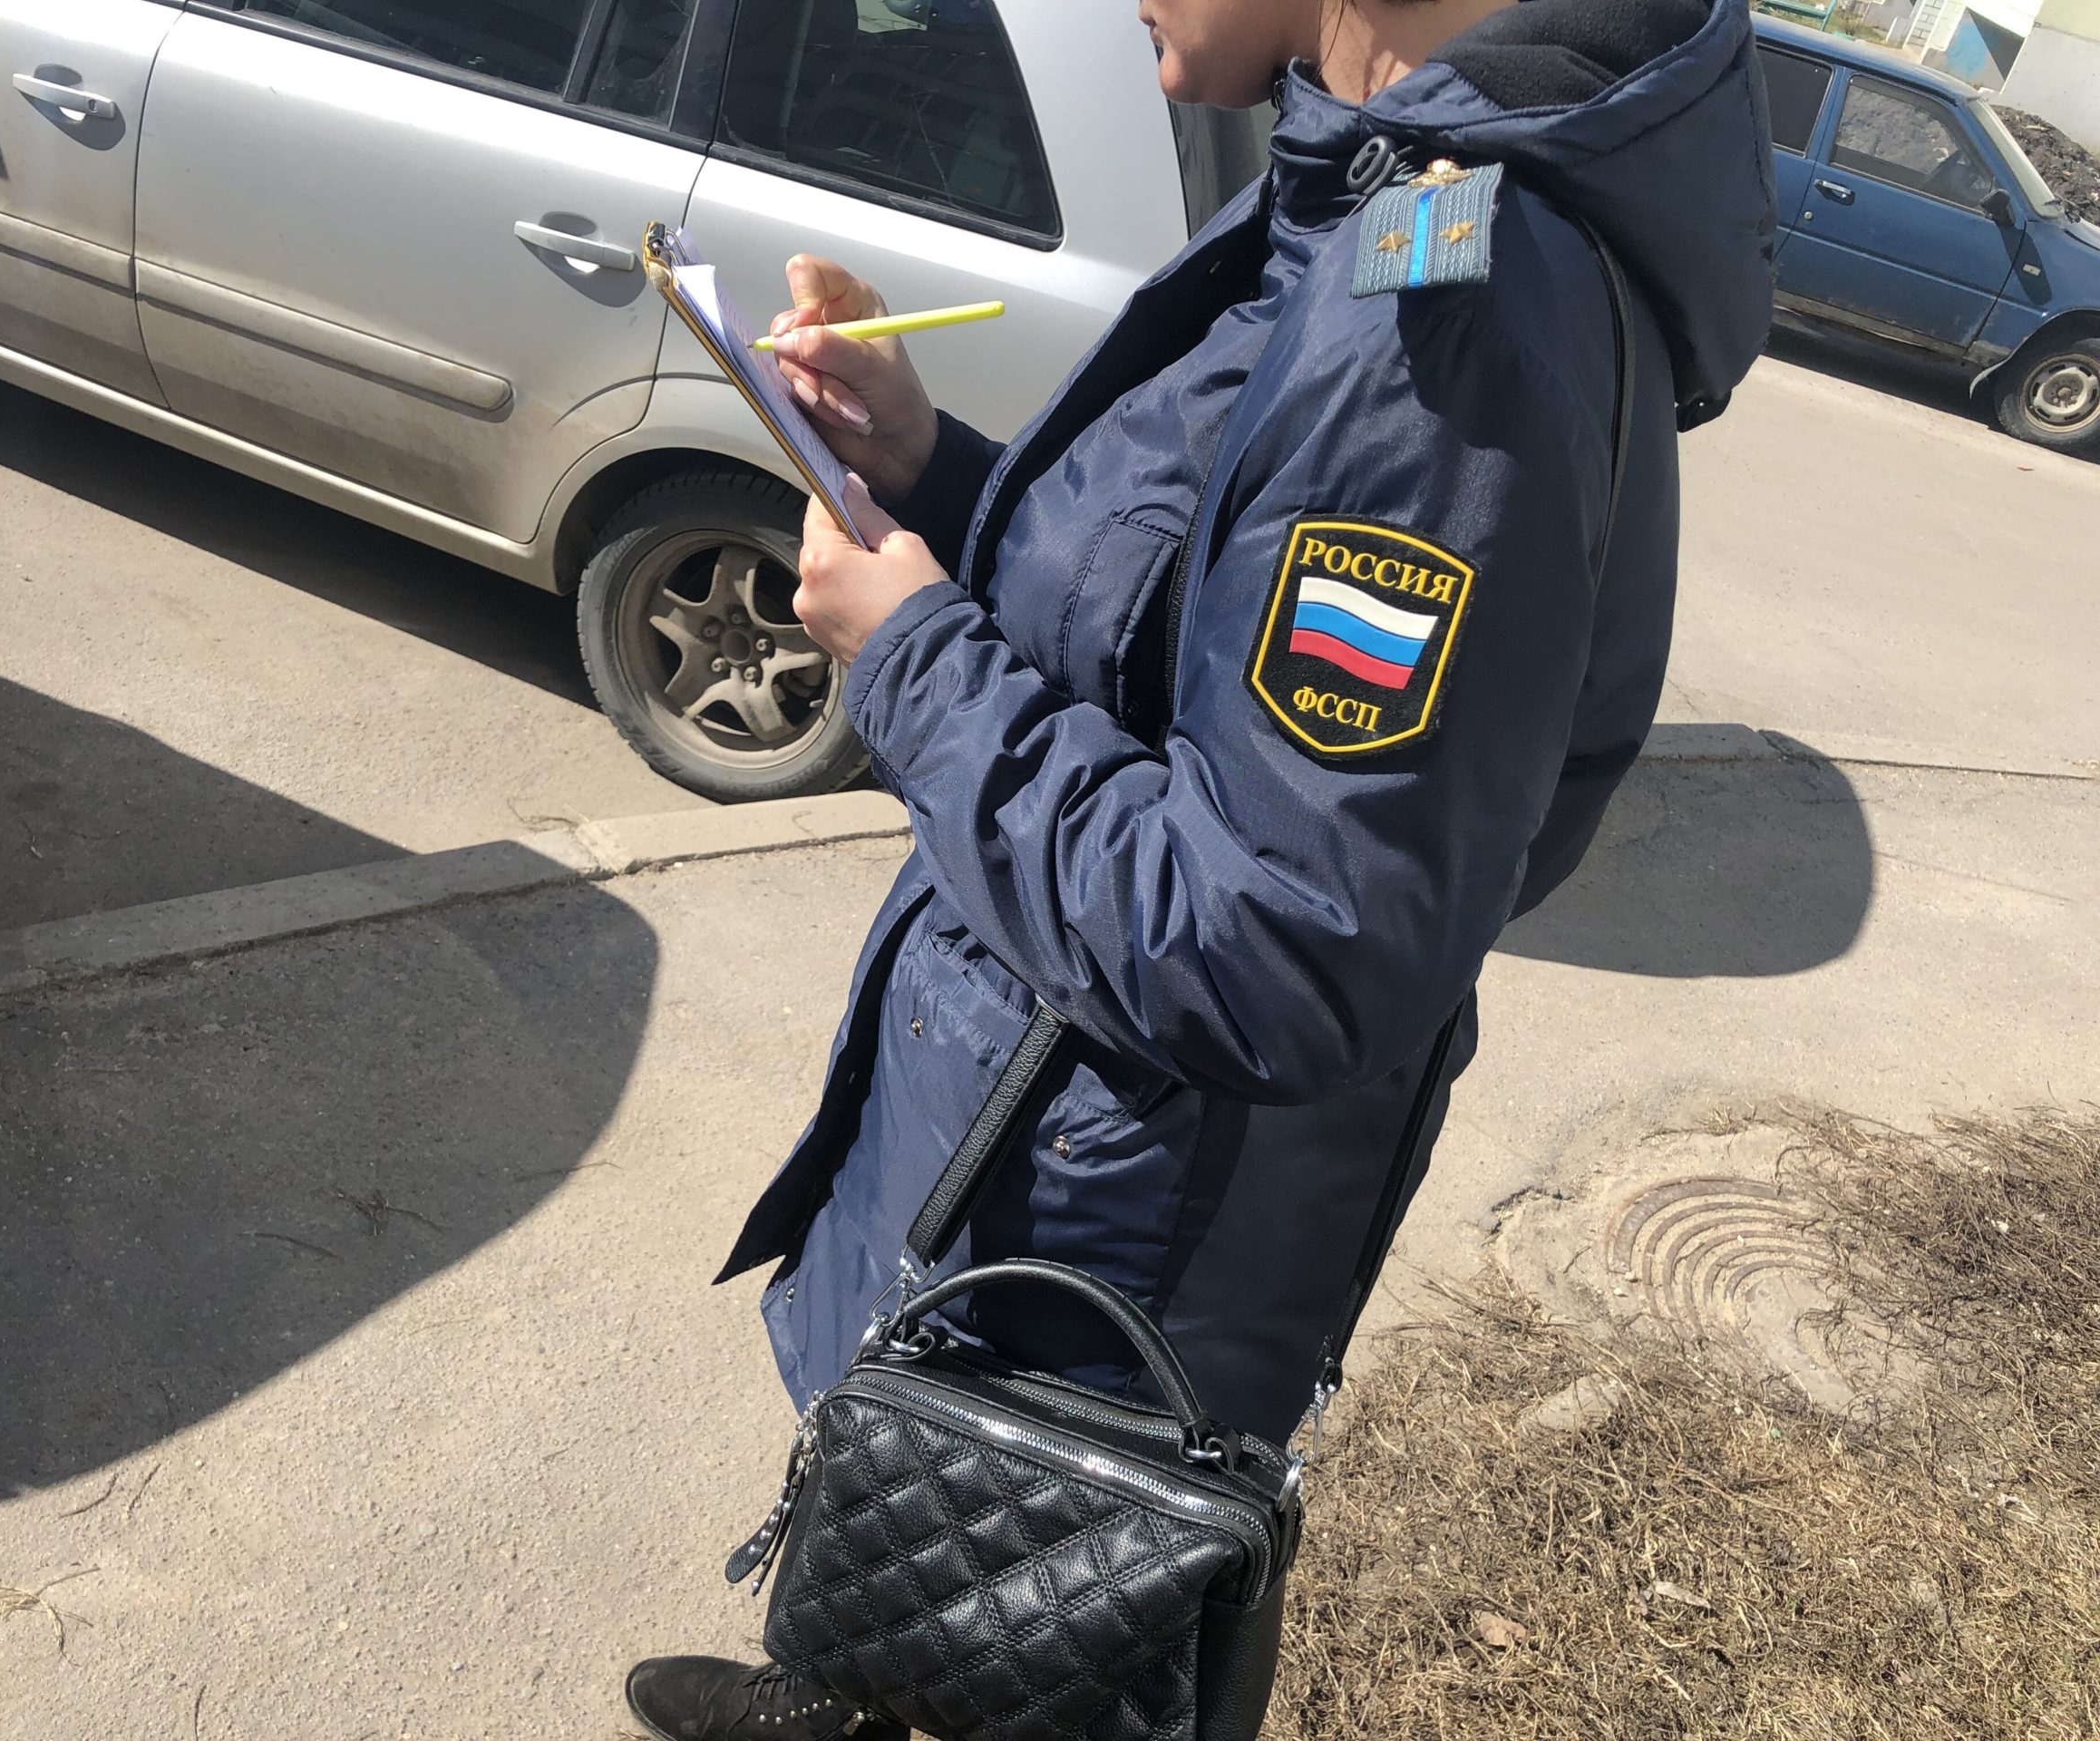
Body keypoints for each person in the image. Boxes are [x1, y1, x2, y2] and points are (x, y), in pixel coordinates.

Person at [627, 0, 1774, 1734]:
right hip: (1044, 1134)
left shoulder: (1444, 315)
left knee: (1014, 1621)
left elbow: (1281, 944)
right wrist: (927, 464)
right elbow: (1180, 629)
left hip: (1117, 1238)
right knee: (915, 1565)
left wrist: (916, 657)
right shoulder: (1363, 180)